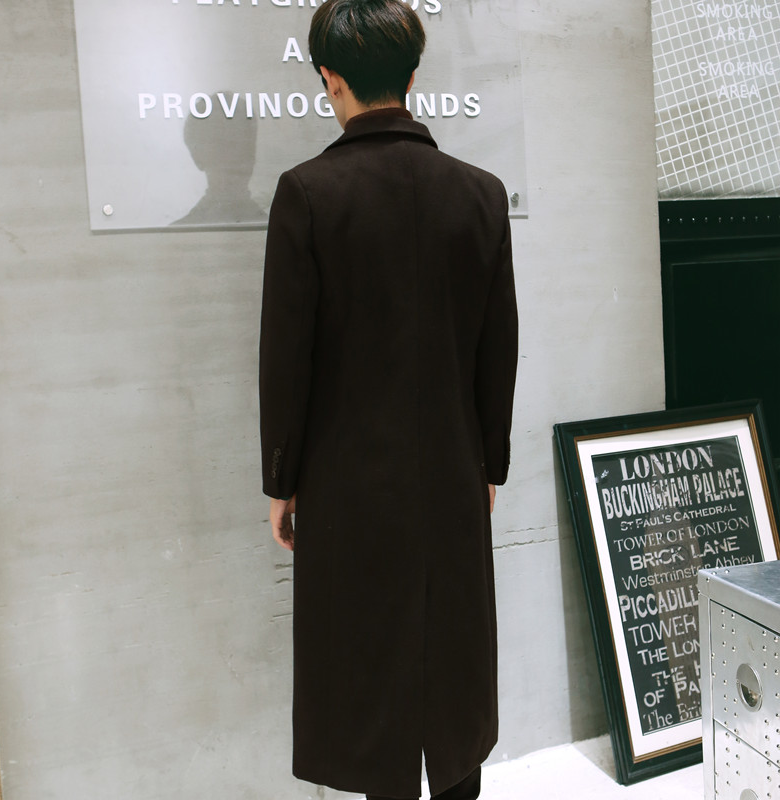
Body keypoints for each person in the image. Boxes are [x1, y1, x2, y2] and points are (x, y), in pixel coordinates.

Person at [259, 1, 518, 798]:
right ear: (411, 75)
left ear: (329, 79)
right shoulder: (481, 194)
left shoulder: (307, 193)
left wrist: (281, 482)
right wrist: (489, 465)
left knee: (368, 673)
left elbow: (286, 359)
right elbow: (498, 349)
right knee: (454, 664)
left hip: (347, 482)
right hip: (453, 471)